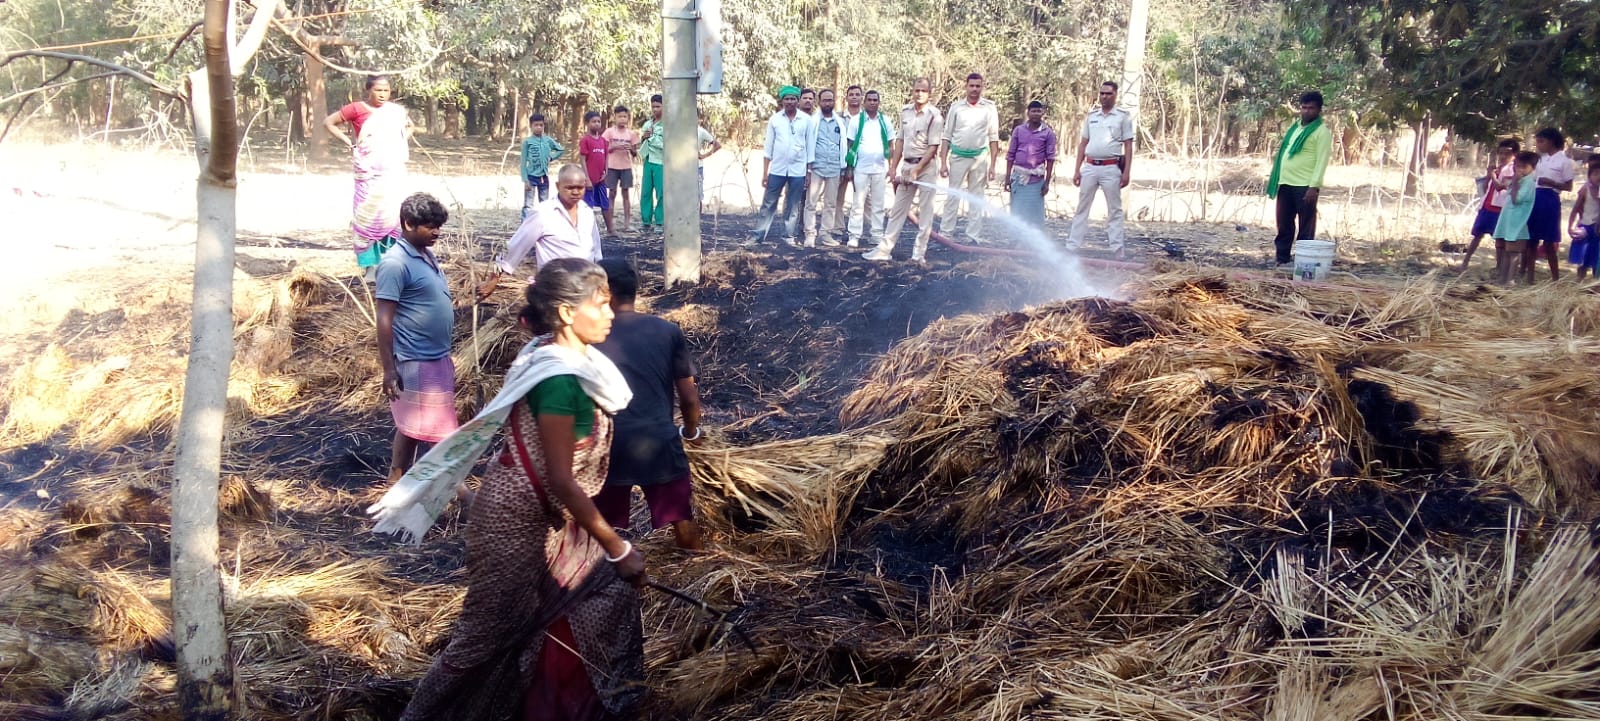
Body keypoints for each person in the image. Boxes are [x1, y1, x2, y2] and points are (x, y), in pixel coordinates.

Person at [373, 258, 645, 721]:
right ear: (564, 314)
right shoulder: (558, 379)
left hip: (549, 518)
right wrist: (618, 548)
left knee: (602, 594)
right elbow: (561, 478)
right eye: (599, 305)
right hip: (514, 523)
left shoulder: (556, 354)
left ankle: (555, 705)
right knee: (484, 636)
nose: (610, 313)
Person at [592, 259, 705, 550]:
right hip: (658, 440)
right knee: (682, 516)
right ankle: (696, 568)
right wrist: (691, 432)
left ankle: (600, 578)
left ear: (605, 293)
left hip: (607, 444)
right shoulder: (667, 331)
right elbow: (689, 398)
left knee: (597, 527)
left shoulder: (589, 337)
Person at [375, 193, 460, 489]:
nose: (436, 232)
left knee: (413, 424)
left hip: (437, 355)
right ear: (408, 223)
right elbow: (384, 319)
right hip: (416, 359)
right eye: (429, 226)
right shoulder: (395, 264)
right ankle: (461, 494)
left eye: (439, 225)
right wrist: (388, 369)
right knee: (440, 430)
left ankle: (395, 480)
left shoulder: (425, 253)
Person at [324, 75, 415, 274]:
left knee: (392, 216)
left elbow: (410, 127)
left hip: (392, 172)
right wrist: (350, 143)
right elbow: (329, 122)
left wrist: (398, 143)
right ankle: (369, 267)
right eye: (378, 90)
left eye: (386, 90)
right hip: (368, 172)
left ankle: (390, 263)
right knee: (366, 217)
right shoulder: (356, 108)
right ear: (368, 90)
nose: (382, 94)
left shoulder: (395, 112)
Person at [483, 164, 604, 293]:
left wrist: (601, 278)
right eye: (569, 188)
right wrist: (494, 278)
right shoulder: (543, 213)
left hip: (586, 286)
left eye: (580, 187)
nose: (575, 192)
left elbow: (596, 249)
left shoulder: (587, 211)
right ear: (558, 186)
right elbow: (517, 245)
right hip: (556, 287)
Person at [866, 78, 943, 263]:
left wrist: (917, 169)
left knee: (925, 212)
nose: (919, 94)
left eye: (923, 91)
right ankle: (883, 250)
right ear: (912, 91)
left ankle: (918, 255)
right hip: (907, 166)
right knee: (898, 210)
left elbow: (933, 147)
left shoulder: (935, 116)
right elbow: (900, 141)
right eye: (916, 90)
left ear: (929, 93)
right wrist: (893, 167)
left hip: (926, 167)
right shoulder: (905, 112)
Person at [1068, 81, 1137, 258]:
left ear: (1115, 95)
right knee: (1082, 207)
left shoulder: (1122, 116)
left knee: (1114, 209)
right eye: (1102, 93)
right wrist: (1077, 170)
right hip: (1090, 166)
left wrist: (1127, 172)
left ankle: (1117, 247)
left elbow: (1128, 146)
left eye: (1108, 94)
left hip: (1111, 167)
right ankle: (1073, 245)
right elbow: (1083, 143)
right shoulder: (1092, 116)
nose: (1104, 97)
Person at [1265, 90, 1333, 265]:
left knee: (1306, 228)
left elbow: (1322, 161)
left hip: (1305, 186)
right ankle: (1282, 260)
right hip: (1285, 183)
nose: (1306, 111)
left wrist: (1314, 186)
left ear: (1319, 110)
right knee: (1284, 225)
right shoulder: (1295, 128)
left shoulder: (1321, 132)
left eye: (1311, 108)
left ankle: (1303, 264)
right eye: (1303, 107)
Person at [940, 73, 1001, 243]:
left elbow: (993, 137)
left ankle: (972, 235)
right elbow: (947, 135)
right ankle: (946, 233)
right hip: (958, 157)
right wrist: (943, 163)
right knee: (953, 196)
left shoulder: (989, 108)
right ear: (966, 86)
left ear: (982, 87)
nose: (974, 89)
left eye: (978, 86)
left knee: (976, 197)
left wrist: (993, 166)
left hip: (980, 158)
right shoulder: (956, 107)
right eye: (971, 86)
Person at [749, 85, 814, 246]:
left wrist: (809, 172)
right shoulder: (775, 120)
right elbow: (768, 148)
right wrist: (765, 173)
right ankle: (758, 236)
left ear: (797, 101)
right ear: (782, 101)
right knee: (769, 203)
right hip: (777, 169)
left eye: (793, 99)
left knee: (793, 205)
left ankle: (788, 236)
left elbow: (810, 147)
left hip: (798, 170)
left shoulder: (806, 120)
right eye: (787, 99)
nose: (790, 102)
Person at [845, 89, 895, 249]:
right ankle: (854, 236)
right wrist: (850, 168)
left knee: (878, 204)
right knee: (858, 203)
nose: (873, 102)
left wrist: (891, 166)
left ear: (878, 103)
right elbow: (850, 144)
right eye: (870, 100)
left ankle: (877, 235)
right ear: (864, 102)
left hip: (880, 168)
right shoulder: (856, 121)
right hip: (861, 168)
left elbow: (891, 144)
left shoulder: (885, 120)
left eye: (875, 100)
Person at [1526, 127, 1577, 282]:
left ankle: (1555, 278)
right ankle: (1530, 277)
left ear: (1552, 141)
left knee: (1549, 241)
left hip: (1550, 199)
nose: (1539, 145)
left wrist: (1551, 182)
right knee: (1531, 240)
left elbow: (1569, 186)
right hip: (1535, 198)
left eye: (1541, 141)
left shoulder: (1565, 161)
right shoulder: (1540, 159)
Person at [1461, 138, 1519, 273]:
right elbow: (1487, 186)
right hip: (1487, 205)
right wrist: (1489, 175)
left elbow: (1500, 187)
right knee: (1477, 234)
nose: (1503, 156)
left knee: (1500, 240)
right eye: (1501, 153)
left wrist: (1492, 175)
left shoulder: (1513, 170)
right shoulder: (1498, 168)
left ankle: (1500, 268)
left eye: (1507, 153)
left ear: (1514, 155)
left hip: (1500, 207)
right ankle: (1465, 263)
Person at [1005, 100, 1059, 232]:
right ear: (1028, 113)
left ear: (1042, 113)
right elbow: (1011, 154)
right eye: (1033, 111)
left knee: (1034, 214)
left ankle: (1034, 244)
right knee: (1017, 211)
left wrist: (1046, 183)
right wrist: (1007, 177)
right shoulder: (1018, 131)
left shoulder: (1048, 133)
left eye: (1038, 111)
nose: (1036, 114)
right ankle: (1016, 240)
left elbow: (1050, 158)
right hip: (1018, 178)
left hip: (1036, 180)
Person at [804, 89, 847, 248]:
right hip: (816, 166)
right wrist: (808, 168)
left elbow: (842, 146)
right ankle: (810, 235)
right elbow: (808, 144)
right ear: (819, 102)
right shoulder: (813, 121)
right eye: (825, 100)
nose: (828, 103)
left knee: (830, 203)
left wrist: (842, 168)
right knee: (811, 202)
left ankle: (826, 234)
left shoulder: (840, 122)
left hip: (834, 167)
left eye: (830, 100)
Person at [1493, 151, 1539, 286]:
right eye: (1517, 166)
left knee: (1513, 254)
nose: (1519, 169)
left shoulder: (1528, 182)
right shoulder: (1519, 180)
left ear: (1533, 168)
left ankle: (1510, 280)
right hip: (1508, 221)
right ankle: (1503, 278)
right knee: (1507, 252)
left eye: (1524, 167)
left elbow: (1516, 199)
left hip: (1517, 224)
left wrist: (1515, 182)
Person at [837, 85, 871, 245]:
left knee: (865, 199)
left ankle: (870, 230)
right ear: (846, 97)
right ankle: (837, 229)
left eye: (858, 94)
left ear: (862, 98)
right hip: (842, 163)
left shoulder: (869, 118)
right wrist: (846, 166)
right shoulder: (839, 117)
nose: (854, 97)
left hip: (864, 164)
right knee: (838, 198)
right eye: (851, 94)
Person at [520, 113, 565, 220]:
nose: (539, 127)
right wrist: (525, 180)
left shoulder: (547, 140)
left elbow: (560, 149)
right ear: (531, 126)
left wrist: (551, 157)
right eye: (536, 125)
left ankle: (543, 224)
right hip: (531, 177)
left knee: (544, 203)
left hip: (544, 177)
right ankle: (525, 226)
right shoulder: (527, 142)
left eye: (541, 125)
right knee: (528, 204)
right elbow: (523, 162)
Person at [603, 106, 640, 234]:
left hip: (626, 167)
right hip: (612, 167)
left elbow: (635, 153)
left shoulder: (631, 134)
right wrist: (613, 146)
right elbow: (604, 149)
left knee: (626, 194)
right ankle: (610, 224)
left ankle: (627, 223)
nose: (622, 119)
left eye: (625, 117)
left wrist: (631, 148)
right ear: (615, 117)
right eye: (620, 116)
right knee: (611, 193)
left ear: (627, 118)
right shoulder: (609, 132)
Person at [578, 111, 615, 236]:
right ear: (587, 123)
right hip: (589, 180)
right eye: (593, 121)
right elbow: (582, 159)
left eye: (598, 121)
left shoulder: (603, 141)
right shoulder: (585, 140)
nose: (597, 124)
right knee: (587, 206)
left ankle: (611, 229)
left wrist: (606, 172)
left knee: (605, 203)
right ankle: (587, 231)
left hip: (601, 179)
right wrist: (586, 178)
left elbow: (606, 157)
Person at [1567, 158, 1600, 281]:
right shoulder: (1585, 189)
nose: (1598, 177)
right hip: (1585, 225)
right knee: (1583, 259)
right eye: (1595, 174)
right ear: (1589, 176)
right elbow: (1575, 209)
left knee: (1596, 258)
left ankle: (1595, 283)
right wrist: (1570, 226)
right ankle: (1579, 281)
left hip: (1598, 229)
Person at [639, 95, 666, 234]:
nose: (655, 109)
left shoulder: (668, 125)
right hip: (648, 160)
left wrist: (652, 137)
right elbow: (642, 140)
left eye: (658, 106)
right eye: (653, 106)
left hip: (661, 162)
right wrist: (643, 137)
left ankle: (660, 221)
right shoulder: (648, 124)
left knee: (661, 193)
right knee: (645, 192)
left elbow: (668, 145)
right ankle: (646, 221)